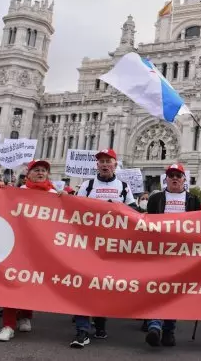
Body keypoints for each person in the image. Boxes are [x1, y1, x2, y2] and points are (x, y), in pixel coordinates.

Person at [69, 148, 136, 349]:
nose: (105, 164)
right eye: (101, 161)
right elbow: (74, 210)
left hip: (113, 247)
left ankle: (100, 322)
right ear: (96, 165)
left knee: (105, 286)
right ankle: (82, 330)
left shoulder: (123, 187)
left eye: (108, 161)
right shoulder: (88, 186)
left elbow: (135, 213)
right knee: (84, 285)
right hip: (88, 245)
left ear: (115, 164)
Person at [0, 159, 60, 342]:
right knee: (12, 282)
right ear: (28, 174)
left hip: (41, 247)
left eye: (44, 171)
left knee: (31, 282)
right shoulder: (18, 192)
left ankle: (25, 315)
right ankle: (8, 324)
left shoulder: (55, 194)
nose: (41, 173)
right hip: (18, 245)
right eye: (37, 170)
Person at [144, 163, 201, 348]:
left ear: (184, 179)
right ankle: (155, 325)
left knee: (174, 291)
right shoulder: (156, 199)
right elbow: (146, 224)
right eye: (171, 175)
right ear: (166, 179)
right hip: (159, 253)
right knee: (157, 289)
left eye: (178, 175)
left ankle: (168, 329)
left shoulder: (193, 200)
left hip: (182, 255)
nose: (175, 178)